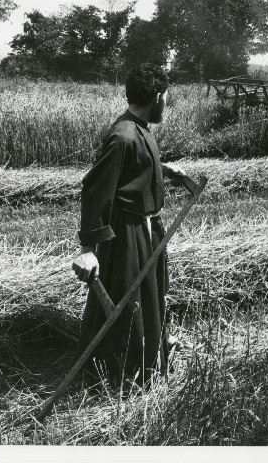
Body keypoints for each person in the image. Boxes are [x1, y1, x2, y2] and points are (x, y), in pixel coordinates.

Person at [71, 63, 186, 384]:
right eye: (167, 98)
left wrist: (163, 170)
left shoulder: (137, 127)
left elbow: (132, 168)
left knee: (152, 294)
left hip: (147, 230)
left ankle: (151, 354)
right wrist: (87, 248)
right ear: (158, 97)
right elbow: (96, 189)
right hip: (127, 236)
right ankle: (123, 372)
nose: (167, 104)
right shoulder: (122, 136)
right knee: (129, 301)